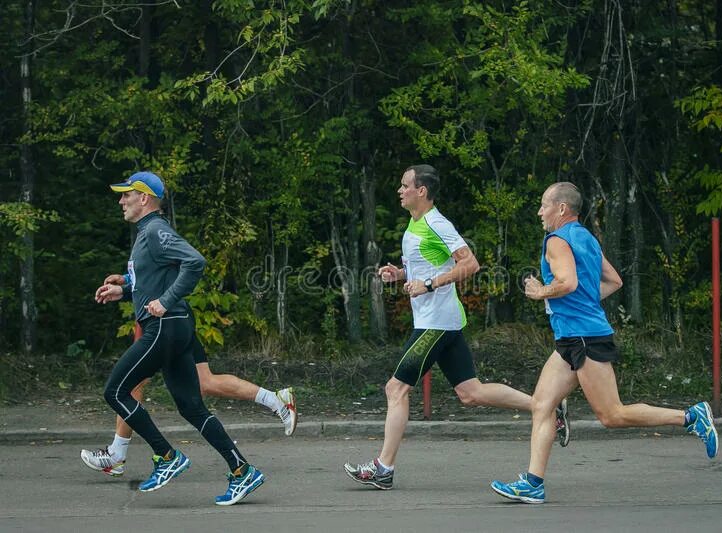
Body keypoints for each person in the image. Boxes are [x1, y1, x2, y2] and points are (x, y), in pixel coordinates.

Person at [490, 182, 719, 504]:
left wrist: (541, 291)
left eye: (544, 205)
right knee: (542, 405)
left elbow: (566, 282)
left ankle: (691, 417)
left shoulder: (556, 241)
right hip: (572, 337)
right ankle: (533, 483)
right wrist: (583, 303)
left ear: (561, 209)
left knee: (612, 415)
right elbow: (614, 281)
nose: (539, 212)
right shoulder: (586, 238)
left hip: (584, 337)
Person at [343, 164, 569, 491]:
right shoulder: (416, 222)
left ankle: (383, 468)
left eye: (405, 185)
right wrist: (402, 275)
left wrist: (430, 284)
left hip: (436, 323)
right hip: (439, 321)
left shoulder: (437, 222)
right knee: (470, 393)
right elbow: (427, 266)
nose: (400, 190)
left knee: (396, 388)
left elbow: (470, 264)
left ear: (422, 191)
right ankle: (547, 407)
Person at [92, 171, 265, 505]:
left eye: (127, 194)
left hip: (166, 326)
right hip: (174, 325)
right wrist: (123, 291)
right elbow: (154, 281)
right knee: (191, 407)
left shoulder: (155, 230)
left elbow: (194, 262)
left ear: (144, 198)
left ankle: (166, 457)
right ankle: (243, 471)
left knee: (115, 391)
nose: (121, 200)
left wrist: (166, 301)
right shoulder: (146, 234)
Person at [80, 285, 297, 477]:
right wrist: (126, 283)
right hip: (171, 315)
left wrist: (127, 285)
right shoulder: (147, 241)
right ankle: (275, 400)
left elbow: (168, 268)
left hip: (164, 318)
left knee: (130, 385)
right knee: (205, 381)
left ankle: (118, 454)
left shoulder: (154, 238)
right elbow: (149, 272)